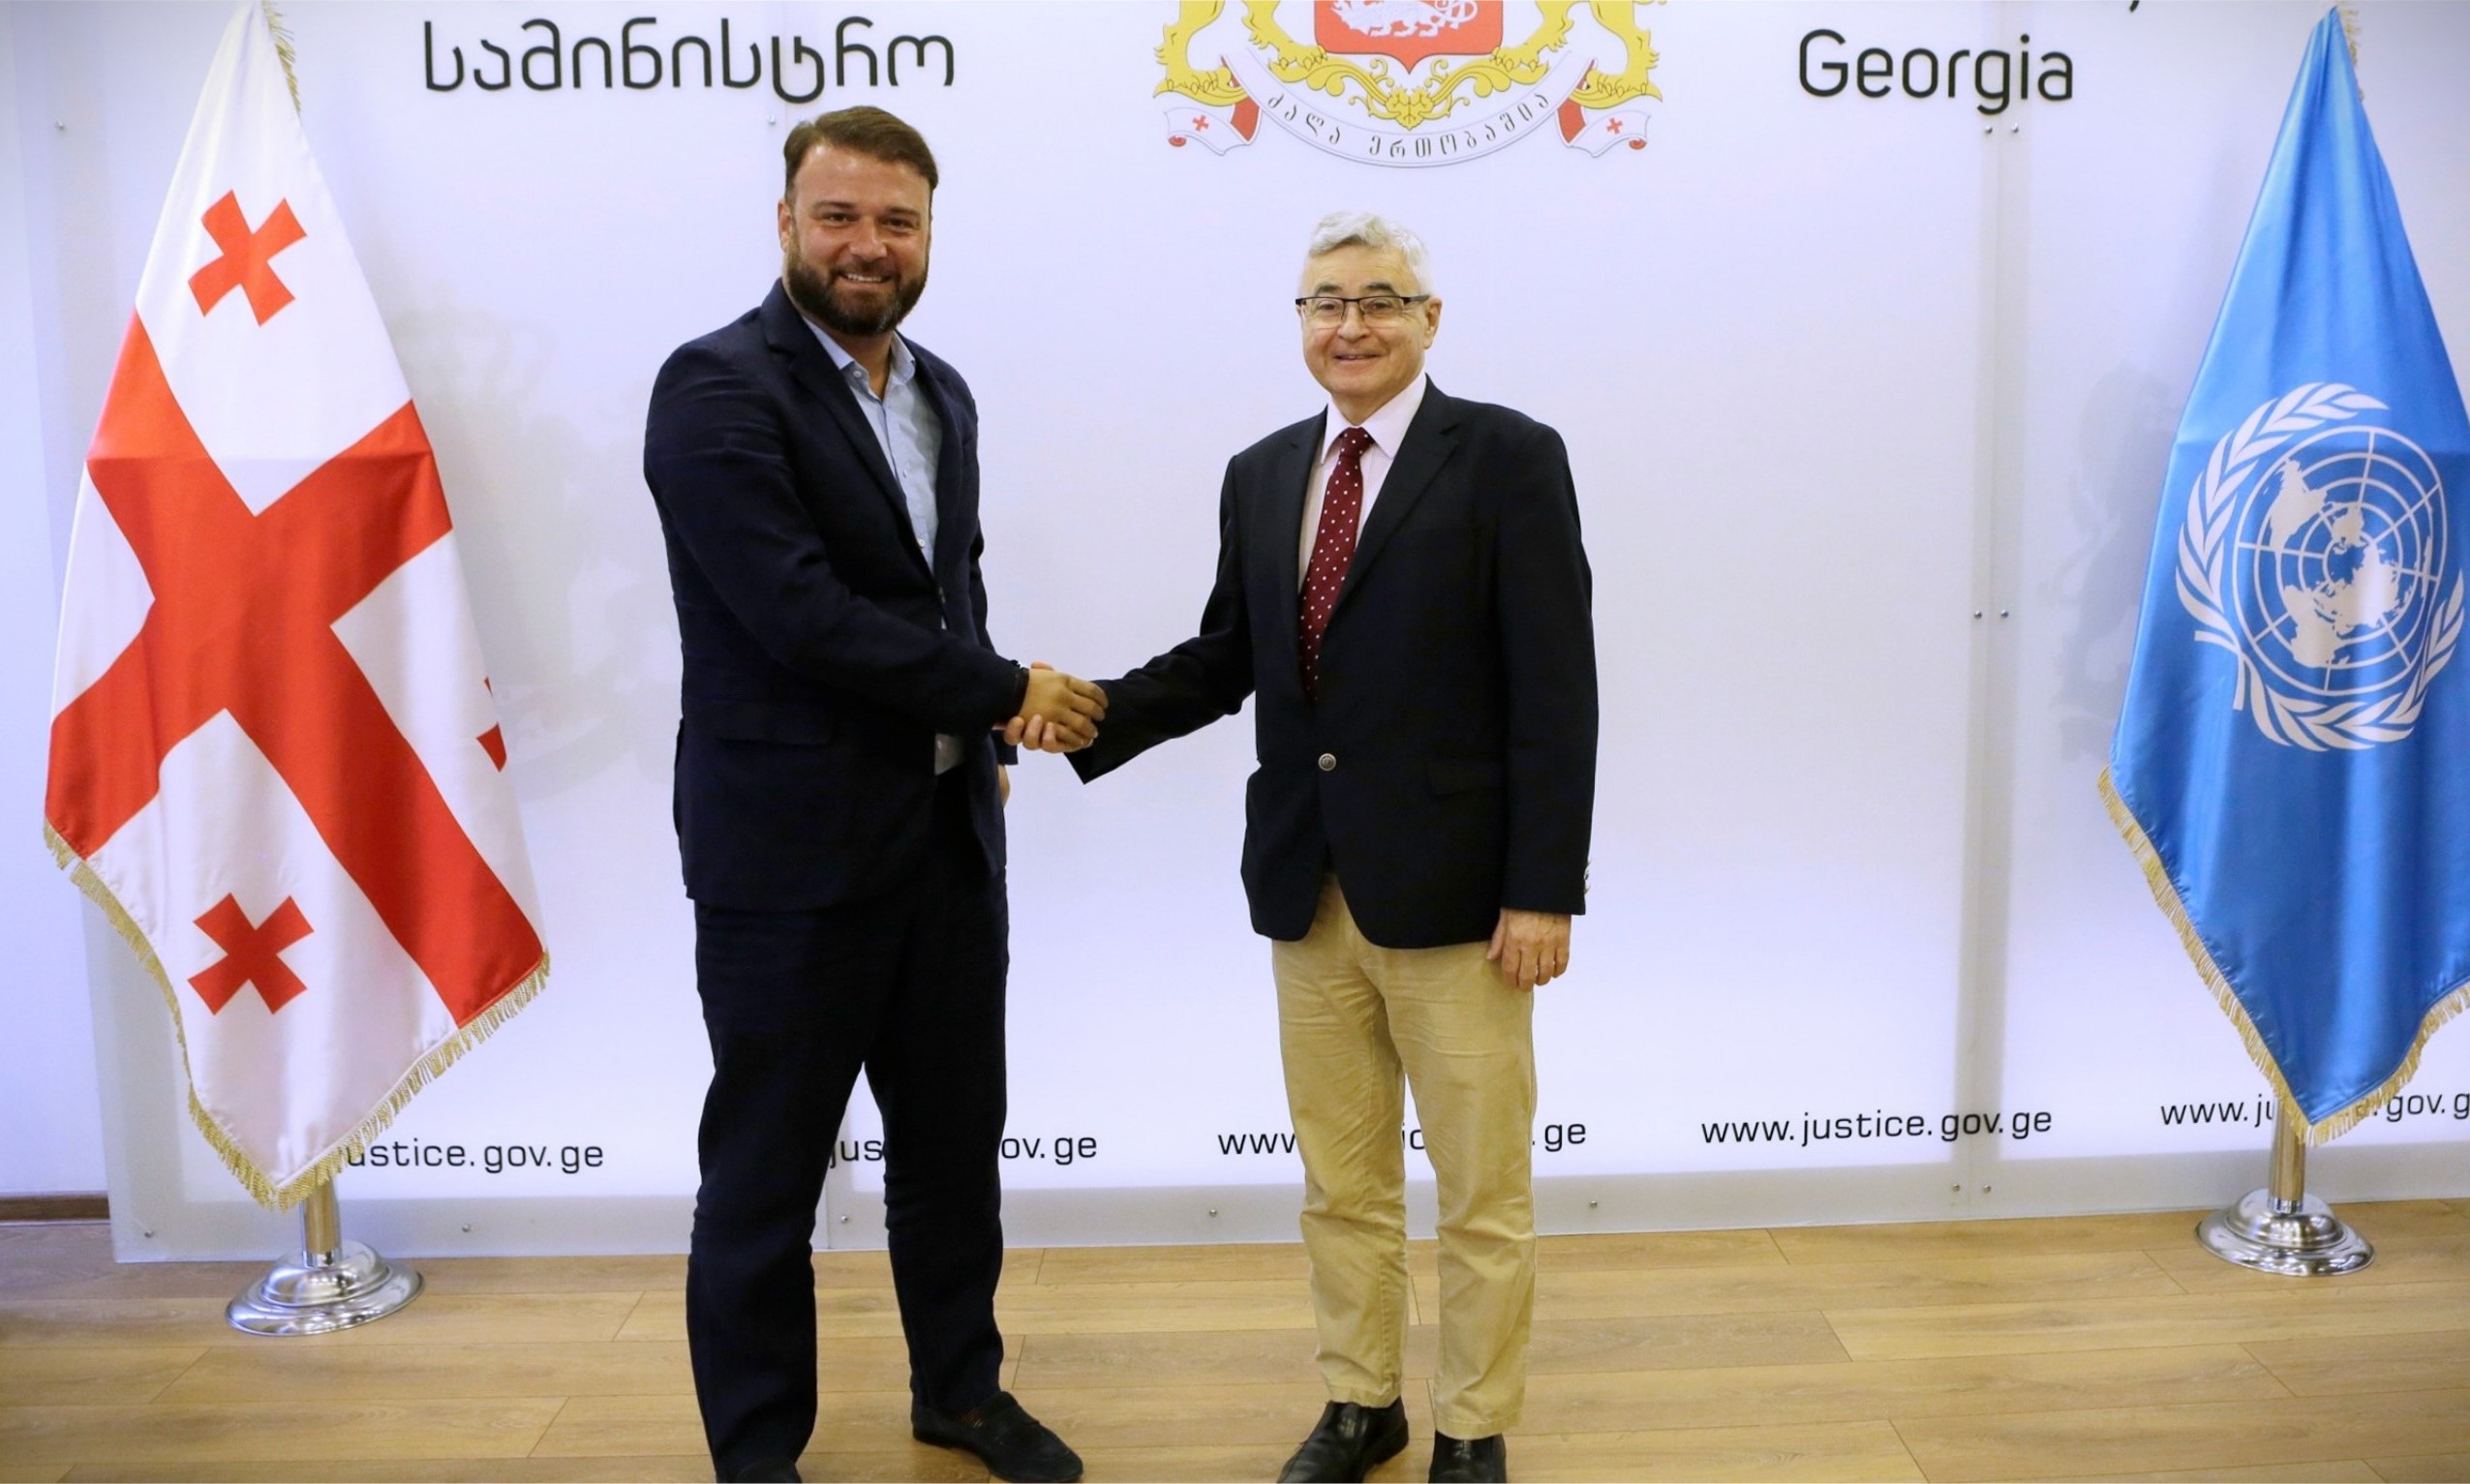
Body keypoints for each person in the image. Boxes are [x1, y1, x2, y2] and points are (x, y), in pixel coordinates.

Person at [1055, 212, 1598, 1484]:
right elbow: (1227, 658)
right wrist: (1082, 710)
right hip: (1310, 891)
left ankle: (1472, 1422)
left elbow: (1556, 690)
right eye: (1322, 302)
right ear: (1299, 323)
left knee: (1481, 1196)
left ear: (1429, 318)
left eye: (1378, 300)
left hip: (1466, 903)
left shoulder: (1510, 457)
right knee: (1341, 1184)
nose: (1349, 325)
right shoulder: (1260, 471)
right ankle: (1363, 1404)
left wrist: (1542, 887)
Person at [642, 106, 1100, 1484]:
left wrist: (993, 737)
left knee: (953, 1154)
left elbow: (941, 597)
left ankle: (959, 1390)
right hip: (788, 861)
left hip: (947, 847)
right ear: (784, 222)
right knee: (768, 1178)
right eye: (838, 216)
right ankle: (759, 1451)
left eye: (895, 221)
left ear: (927, 236)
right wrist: (1004, 684)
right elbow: (799, 617)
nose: (867, 245)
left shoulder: (940, 391)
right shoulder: (714, 388)